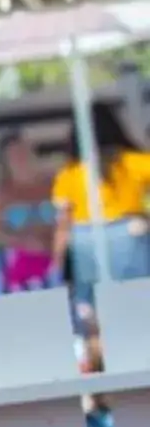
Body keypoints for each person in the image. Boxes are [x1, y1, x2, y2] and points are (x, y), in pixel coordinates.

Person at [51, 97, 150, 292]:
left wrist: (58, 259)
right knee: (139, 295)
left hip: (84, 237)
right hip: (129, 231)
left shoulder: (70, 172)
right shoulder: (133, 161)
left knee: (93, 300)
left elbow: (64, 220)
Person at [0, 130, 58, 289]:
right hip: (23, 263)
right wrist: (25, 243)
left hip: (58, 258)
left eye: (24, 151)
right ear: (6, 162)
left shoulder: (52, 184)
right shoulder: (2, 193)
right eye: (14, 155)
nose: (21, 159)